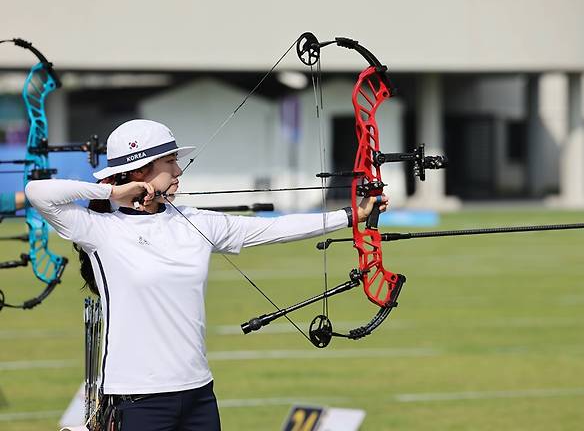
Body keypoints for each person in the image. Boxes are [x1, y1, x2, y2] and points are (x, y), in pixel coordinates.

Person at [25, 119, 387, 431]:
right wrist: (113, 191)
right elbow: (38, 192)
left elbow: (274, 229)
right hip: (135, 398)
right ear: (140, 172)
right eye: (170, 161)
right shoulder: (98, 229)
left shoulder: (197, 222)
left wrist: (351, 215)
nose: (179, 171)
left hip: (198, 392)